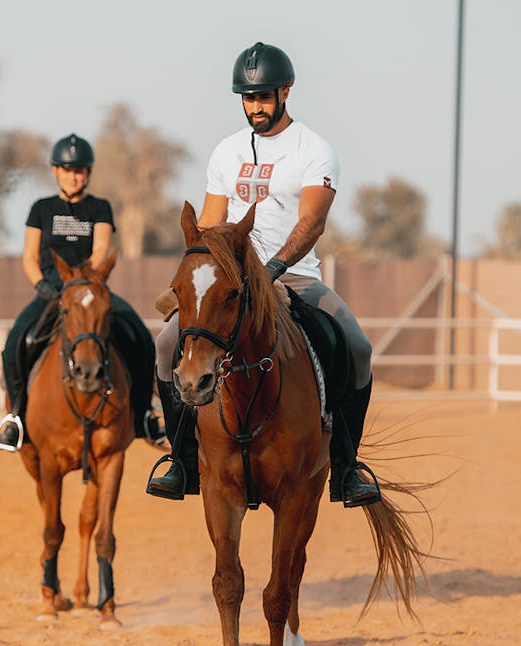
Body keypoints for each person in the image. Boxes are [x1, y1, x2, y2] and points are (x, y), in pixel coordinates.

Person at [146, 42, 381, 508]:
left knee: (356, 346)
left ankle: (348, 466)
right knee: (166, 343)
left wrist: (273, 268)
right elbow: (212, 224)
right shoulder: (226, 151)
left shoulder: (314, 150)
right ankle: (181, 459)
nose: (256, 106)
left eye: (264, 97)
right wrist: (209, 275)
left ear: (286, 92)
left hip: (294, 277)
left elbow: (311, 221)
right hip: (231, 281)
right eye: (248, 98)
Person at [0, 133, 162, 452]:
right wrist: (41, 284)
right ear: (55, 170)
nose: (74, 175)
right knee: (18, 341)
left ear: (89, 173)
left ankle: (144, 414)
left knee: (139, 335)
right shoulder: (41, 208)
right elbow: (29, 257)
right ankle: (15, 417)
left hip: (90, 288)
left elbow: (100, 250)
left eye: (80, 170)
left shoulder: (99, 208)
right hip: (52, 289)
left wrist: (86, 280)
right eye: (67, 169)